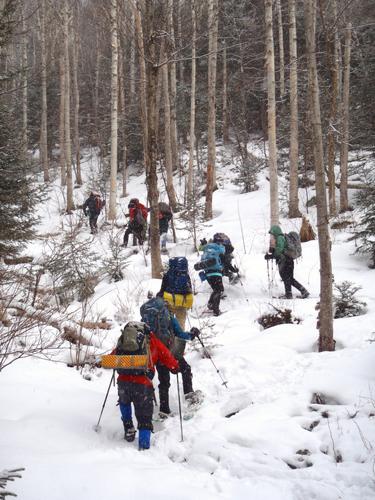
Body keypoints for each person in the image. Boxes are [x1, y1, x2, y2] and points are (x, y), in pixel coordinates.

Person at [112, 321, 179, 450]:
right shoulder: (151, 340)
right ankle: (144, 447)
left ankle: (128, 428)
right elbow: (166, 355)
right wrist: (175, 367)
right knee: (144, 415)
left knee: (124, 403)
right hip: (142, 384)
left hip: (123, 382)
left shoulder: (124, 340)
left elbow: (112, 358)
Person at [140, 296, 199, 418]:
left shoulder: (146, 316)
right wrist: (192, 334)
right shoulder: (167, 315)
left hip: (155, 353)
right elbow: (180, 333)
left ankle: (164, 409)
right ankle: (189, 397)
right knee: (186, 369)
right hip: (169, 351)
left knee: (164, 380)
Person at [264, 225, 309, 299]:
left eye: (272, 233)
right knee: (289, 278)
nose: (272, 235)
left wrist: (271, 255)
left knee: (287, 278)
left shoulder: (280, 238)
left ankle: (289, 294)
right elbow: (280, 250)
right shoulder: (280, 238)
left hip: (286, 261)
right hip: (288, 261)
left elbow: (279, 250)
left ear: (276, 232)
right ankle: (302, 291)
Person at [195, 240, 225, 316]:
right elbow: (223, 250)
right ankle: (216, 310)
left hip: (208, 274)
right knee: (218, 290)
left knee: (216, 289)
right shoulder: (217, 248)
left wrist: (203, 244)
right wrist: (222, 244)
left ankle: (210, 304)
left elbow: (200, 248)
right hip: (216, 272)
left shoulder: (206, 248)